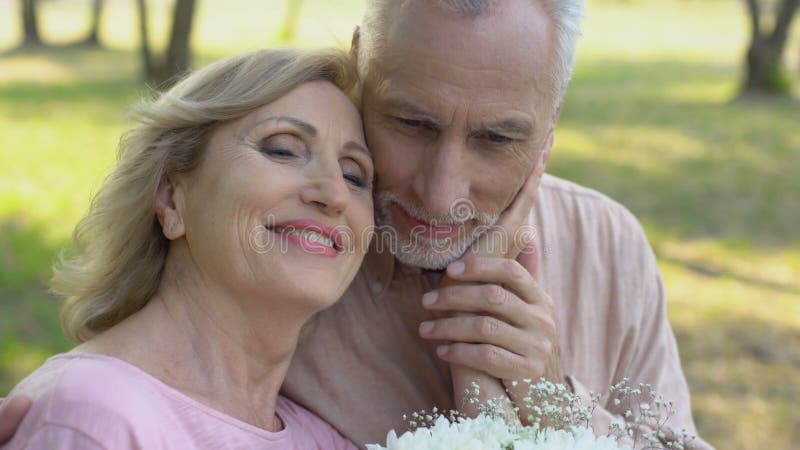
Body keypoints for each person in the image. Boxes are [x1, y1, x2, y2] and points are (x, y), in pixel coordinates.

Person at [2, 0, 714, 448]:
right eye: (410, 123)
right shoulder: (289, 273)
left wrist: (551, 403)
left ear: (551, 127)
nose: (440, 194)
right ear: (361, 65)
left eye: (497, 140)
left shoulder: (607, 246)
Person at [0, 47, 374, 449]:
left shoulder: (332, 439)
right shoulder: (98, 417)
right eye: (282, 149)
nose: (335, 193)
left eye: (355, 175)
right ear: (171, 199)